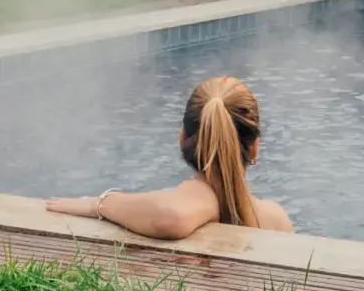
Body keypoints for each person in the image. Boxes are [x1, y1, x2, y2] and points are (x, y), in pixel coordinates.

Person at [47, 75, 293, 240]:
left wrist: (99, 204)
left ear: (182, 138)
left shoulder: (192, 202)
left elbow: (171, 217)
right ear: (254, 149)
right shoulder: (276, 219)